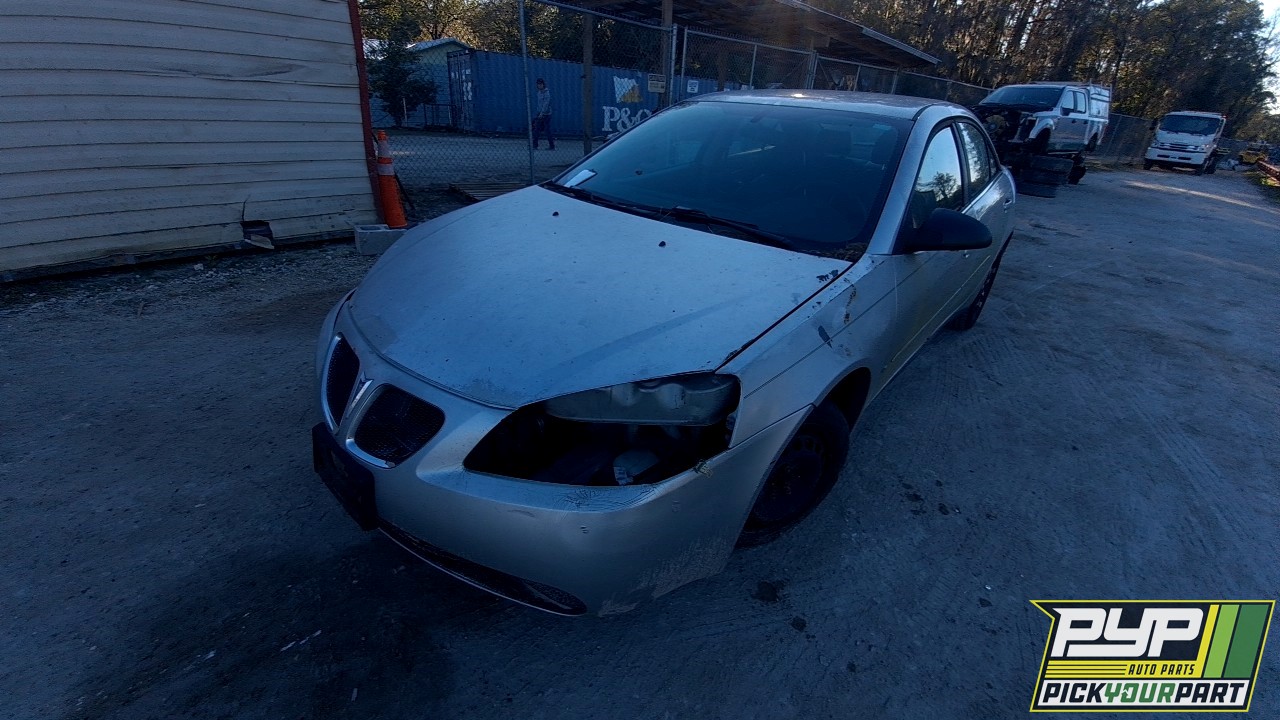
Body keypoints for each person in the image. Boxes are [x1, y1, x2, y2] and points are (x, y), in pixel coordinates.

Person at [532, 78, 554, 150]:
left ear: (543, 84)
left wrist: (542, 113)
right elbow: (540, 104)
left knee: (547, 131)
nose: (539, 85)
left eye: (541, 84)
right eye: (538, 84)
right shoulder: (539, 92)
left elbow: (546, 104)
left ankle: (551, 146)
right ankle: (535, 145)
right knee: (536, 129)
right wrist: (539, 112)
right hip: (540, 113)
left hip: (546, 114)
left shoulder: (546, 93)